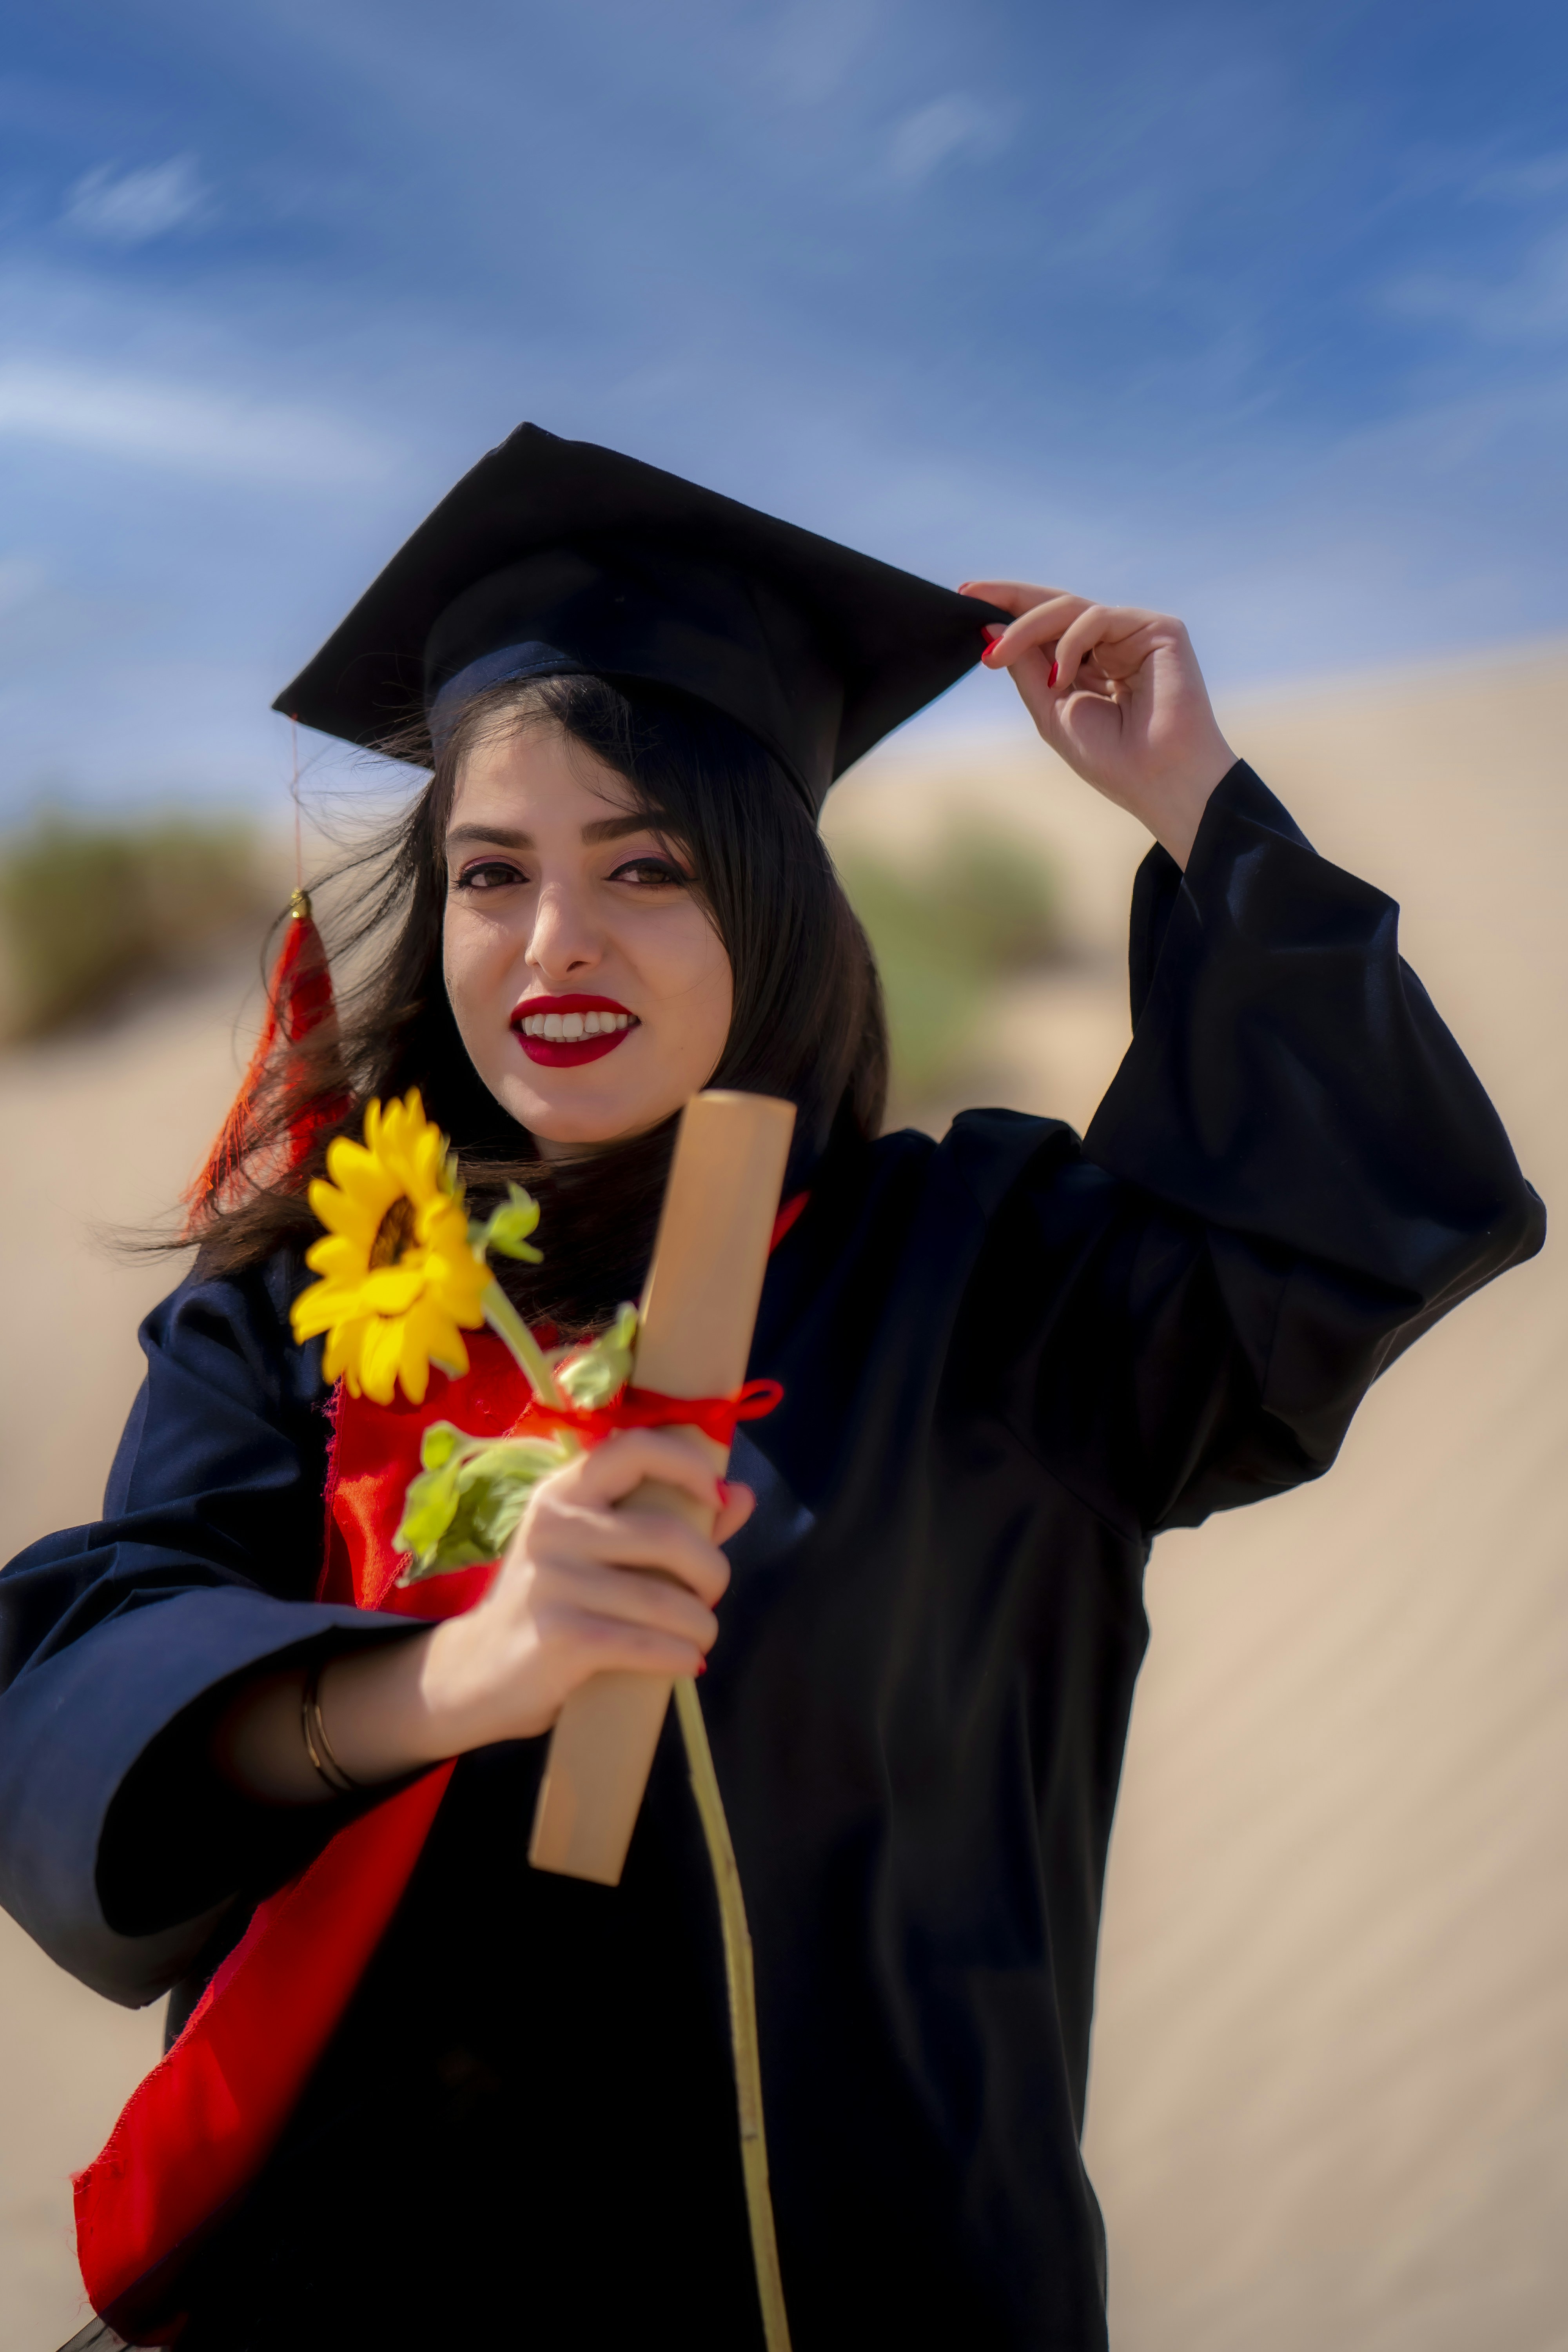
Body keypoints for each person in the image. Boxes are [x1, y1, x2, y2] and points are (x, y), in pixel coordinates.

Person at [0, 424, 1542, 2352]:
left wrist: (1200, 809)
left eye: (644, 863)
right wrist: (450, 1681)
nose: (557, 941)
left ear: (768, 895)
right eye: (495, 874)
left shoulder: (980, 1279)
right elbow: (77, 1700)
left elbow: (1353, 1229)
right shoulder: (311, 1308)